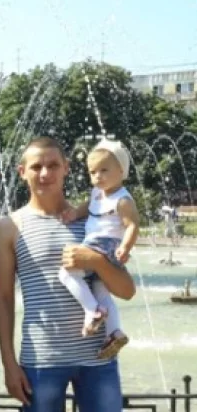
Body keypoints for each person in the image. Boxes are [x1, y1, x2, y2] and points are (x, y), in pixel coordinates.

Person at [0, 136, 136, 412]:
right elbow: (3, 298)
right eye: (36, 167)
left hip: (98, 358)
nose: (45, 173)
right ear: (22, 172)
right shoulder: (10, 226)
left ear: (66, 168)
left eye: (53, 165)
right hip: (42, 359)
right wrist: (8, 363)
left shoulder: (93, 219)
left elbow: (127, 290)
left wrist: (97, 261)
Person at [59, 139, 138, 358]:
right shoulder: (97, 192)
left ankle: (92, 310)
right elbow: (89, 206)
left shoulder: (122, 200)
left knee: (66, 273)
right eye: (93, 172)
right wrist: (76, 213)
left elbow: (132, 225)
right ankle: (114, 332)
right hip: (102, 246)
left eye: (104, 170)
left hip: (103, 244)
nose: (98, 176)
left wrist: (125, 247)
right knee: (101, 288)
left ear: (121, 170)